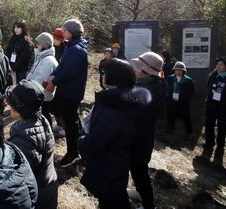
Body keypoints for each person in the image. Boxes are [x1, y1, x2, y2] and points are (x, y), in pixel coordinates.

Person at [79, 59, 149, 209]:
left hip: (108, 162)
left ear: (114, 76)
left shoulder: (115, 104)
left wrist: (82, 142)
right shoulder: (123, 98)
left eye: (105, 73)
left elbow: (98, 139)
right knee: (115, 197)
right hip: (116, 160)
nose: (102, 75)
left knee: (110, 199)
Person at [5, 79, 58, 209]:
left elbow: (17, 178)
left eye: (10, 104)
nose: (7, 105)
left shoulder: (23, 141)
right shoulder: (40, 119)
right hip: (47, 187)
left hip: (37, 198)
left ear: (18, 110)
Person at [45, 19, 89, 168]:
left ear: (71, 32)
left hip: (71, 92)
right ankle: (77, 147)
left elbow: (69, 71)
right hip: (67, 90)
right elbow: (62, 65)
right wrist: (53, 75)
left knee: (70, 123)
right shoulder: (72, 46)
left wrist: (54, 81)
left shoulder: (77, 49)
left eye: (64, 30)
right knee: (69, 119)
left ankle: (73, 154)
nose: (62, 32)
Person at [129, 51, 168, 209]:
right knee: (138, 170)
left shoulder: (147, 88)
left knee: (139, 170)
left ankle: (148, 205)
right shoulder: (155, 83)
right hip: (143, 135)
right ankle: (141, 194)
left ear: (146, 70)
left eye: (138, 66)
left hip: (138, 136)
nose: (134, 69)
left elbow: (133, 112)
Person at [26, 32, 58, 128]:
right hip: (39, 93)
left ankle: (48, 132)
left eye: (38, 43)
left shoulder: (48, 61)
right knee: (43, 115)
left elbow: (41, 80)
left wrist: (29, 88)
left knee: (44, 115)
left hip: (42, 95)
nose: (37, 45)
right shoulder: (42, 57)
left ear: (44, 45)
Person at [166, 61, 195, 137]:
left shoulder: (189, 81)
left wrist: (183, 94)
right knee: (171, 114)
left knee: (186, 116)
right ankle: (170, 128)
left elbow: (191, 92)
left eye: (180, 70)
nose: (178, 71)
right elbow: (167, 89)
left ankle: (189, 132)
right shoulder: (170, 78)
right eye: (176, 70)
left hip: (183, 102)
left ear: (183, 71)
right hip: (172, 101)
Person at [6, 19, 35, 85]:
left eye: (18, 27)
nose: (16, 29)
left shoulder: (27, 41)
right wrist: (9, 65)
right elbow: (8, 51)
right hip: (11, 67)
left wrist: (14, 67)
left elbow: (24, 58)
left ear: (23, 28)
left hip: (21, 70)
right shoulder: (13, 38)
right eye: (15, 27)